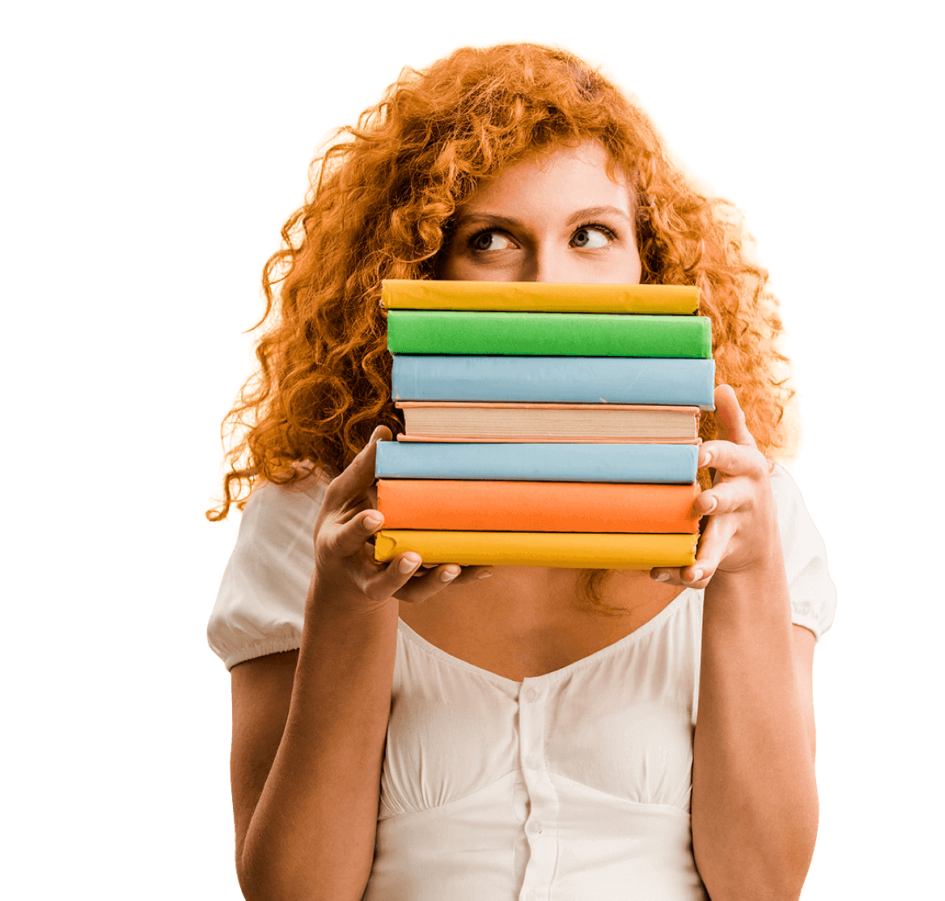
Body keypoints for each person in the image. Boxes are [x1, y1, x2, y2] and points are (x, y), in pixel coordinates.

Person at [205, 39, 836, 901]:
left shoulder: (750, 505)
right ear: (421, 269)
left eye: (591, 235)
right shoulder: (313, 511)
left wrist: (750, 570)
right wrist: (348, 607)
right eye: (492, 239)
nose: (550, 286)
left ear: (648, 259)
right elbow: (291, 892)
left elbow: (761, 884)